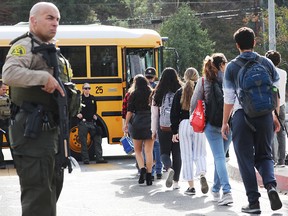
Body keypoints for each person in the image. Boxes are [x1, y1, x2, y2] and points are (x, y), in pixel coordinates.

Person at [2, 2, 69, 216]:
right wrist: (41, 77)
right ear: (33, 21)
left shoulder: (51, 49)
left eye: (57, 19)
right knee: (38, 197)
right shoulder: (25, 46)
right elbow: (9, 74)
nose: (55, 23)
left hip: (50, 132)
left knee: (50, 191)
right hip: (32, 133)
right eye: (49, 18)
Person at [221, 27, 282, 214]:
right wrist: (274, 115)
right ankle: (271, 186)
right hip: (265, 114)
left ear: (237, 45)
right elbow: (275, 91)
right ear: (254, 42)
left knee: (245, 159)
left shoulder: (231, 67)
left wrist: (225, 123)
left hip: (242, 117)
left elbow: (229, 99)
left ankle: (254, 203)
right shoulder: (266, 63)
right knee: (265, 155)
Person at [190, 53, 233, 205]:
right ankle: (219, 190)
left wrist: (193, 121)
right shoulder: (229, 79)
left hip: (211, 125)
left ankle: (222, 190)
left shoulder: (203, 81)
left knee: (219, 158)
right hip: (228, 124)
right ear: (222, 65)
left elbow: (194, 104)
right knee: (220, 158)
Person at [171, 67, 208, 195]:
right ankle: (202, 174)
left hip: (184, 124)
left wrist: (174, 131)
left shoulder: (179, 92)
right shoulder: (202, 90)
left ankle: (191, 186)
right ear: (197, 77)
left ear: (185, 77)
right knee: (200, 153)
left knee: (186, 155)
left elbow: (174, 113)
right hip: (198, 123)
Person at [151, 67, 183, 189]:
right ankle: (176, 183)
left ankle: (169, 169)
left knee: (164, 152)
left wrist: (153, 131)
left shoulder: (157, 93)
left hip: (163, 127)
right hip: (178, 127)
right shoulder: (181, 91)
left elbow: (154, 115)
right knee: (177, 154)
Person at [123, 74, 154, 186]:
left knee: (137, 150)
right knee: (149, 151)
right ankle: (150, 175)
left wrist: (126, 124)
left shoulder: (133, 94)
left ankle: (142, 169)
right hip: (150, 122)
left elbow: (130, 111)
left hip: (137, 123)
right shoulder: (152, 93)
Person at [265, 50, 287, 168]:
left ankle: (272, 159)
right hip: (282, 104)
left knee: (270, 132)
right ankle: (282, 160)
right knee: (281, 132)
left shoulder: (268, 73)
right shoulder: (283, 73)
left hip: (271, 106)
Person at [76, 83, 107, 164]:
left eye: (89, 88)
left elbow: (95, 109)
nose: (87, 90)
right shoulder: (79, 99)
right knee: (83, 142)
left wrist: (95, 115)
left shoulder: (92, 98)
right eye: (85, 88)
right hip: (83, 122)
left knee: (98, 139)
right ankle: (86, 159)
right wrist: (77, 114)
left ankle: (99, 158)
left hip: (92, 122)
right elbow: (75, 108)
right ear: (82, 89)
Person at [145, 67, 163, 180]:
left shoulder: (140, 88)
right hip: (155, 120)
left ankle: (150, 172)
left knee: (147, 148)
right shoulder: (158, 88)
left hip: (144, 121)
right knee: (157, 146)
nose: (150, 79)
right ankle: (159, 170)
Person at [0, 82, 13, 169]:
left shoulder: (9, 99)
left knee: (12, 143)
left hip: (8, 123)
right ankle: (1, 163)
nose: (5, 91)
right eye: (3, 89)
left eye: (6, 90)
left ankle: (17, 162)